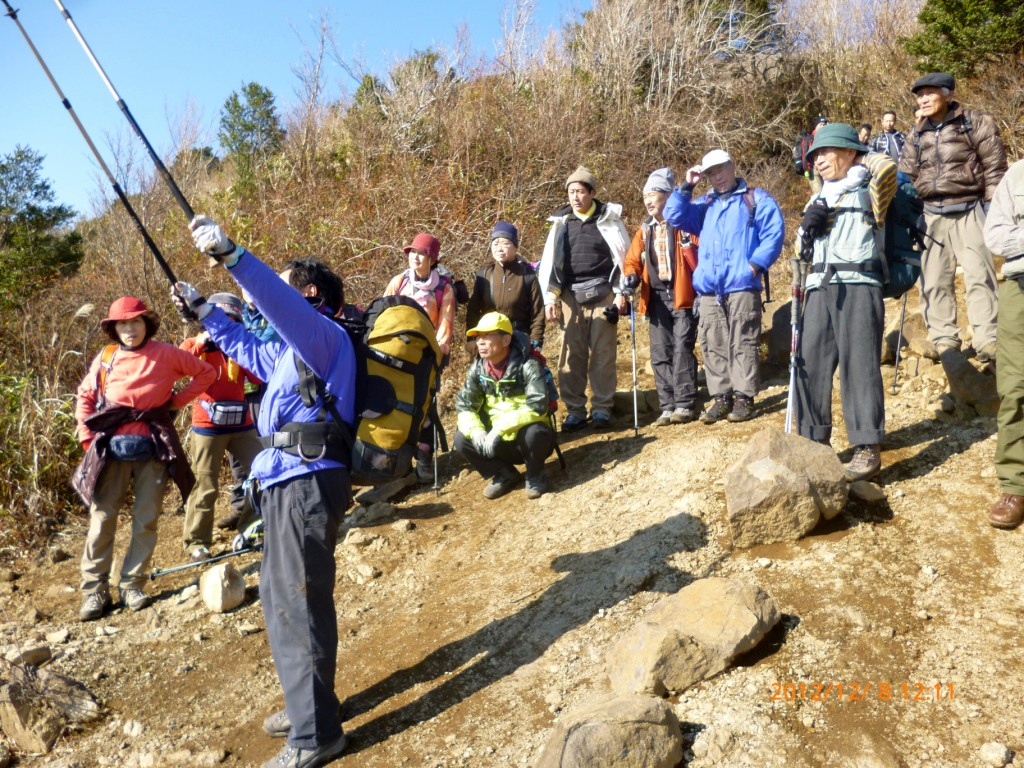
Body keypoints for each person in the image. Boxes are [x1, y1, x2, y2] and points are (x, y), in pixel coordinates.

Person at [175, 224, 356, 768]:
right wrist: (205, 312)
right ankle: (312, 708)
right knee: (288, 604)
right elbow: (248, 347)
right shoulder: (290, 357)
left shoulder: (325, 336)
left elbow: (275, 305)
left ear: (309, 295)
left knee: (295, 605)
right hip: (284, 481)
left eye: (281, 287)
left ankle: (314, 735)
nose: (263, 296)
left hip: (307, 479)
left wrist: (234, 257)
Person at [73, 297, 216, 621]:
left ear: (146, 324)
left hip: (153, 446)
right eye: (122, 324)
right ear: (114, 328)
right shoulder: (107, 357)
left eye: (135, 322)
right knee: (102, 518)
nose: (129, 329)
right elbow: (85, 395)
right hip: (110, 446)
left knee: (146, 519)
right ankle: (94, 592)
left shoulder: (166, 353)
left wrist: (174, 403)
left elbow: (204, 373)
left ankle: (132, 585)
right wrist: (85, 437)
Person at [794, 123, 898, 481]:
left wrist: (858, 158)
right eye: (815, 155)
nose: (819, 160)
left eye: (827, 151)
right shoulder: (818, 197)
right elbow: (799, 250)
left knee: (860, 365)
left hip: (858, 283)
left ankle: (867, 446)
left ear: (850, 152)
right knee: (810, 363)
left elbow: (887, 168)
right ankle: (811, 443)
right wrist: (807, 226)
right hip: (819, 286)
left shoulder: (871, 187)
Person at [663, 149, 785, 423]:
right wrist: (687, 185)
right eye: (710, 173)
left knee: (743, 342)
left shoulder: (756, 199)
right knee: (712, 344)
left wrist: (754, 265)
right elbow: (672, 215)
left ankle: (743, 398)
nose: (717, 177)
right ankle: (721, 397)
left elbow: (774, 235)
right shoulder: (705, 204)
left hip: (741, 285)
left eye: (720, 170)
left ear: (732, 166)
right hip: (708, 289)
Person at [899, 71, 1007, 362]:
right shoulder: (915, 133)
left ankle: (987, 338)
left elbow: (994, 168)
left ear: (947, 93)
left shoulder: (975, 122)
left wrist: (992, 210)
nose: (922, 99)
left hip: (970, 208)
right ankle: (944, 339)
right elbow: (906, 176)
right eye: (919, 95)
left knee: (979, 276)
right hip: (929, 214)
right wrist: (906, 214)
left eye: (928, 93)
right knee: (933, 280)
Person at [537, 166, 630, 432]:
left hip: (603, 292)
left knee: (603, 354)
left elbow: (623, 259)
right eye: (571, 192)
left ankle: (602, 408)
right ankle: (575, 410)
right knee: (571, 354)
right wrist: (550, 299)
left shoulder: (610, 221)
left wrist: (622, 293)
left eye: (580, 191)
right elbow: (549, 266)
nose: (575, 197)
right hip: (570, 296)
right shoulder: (560, 224)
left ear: (592, 193)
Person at [179, 292, 262, 561]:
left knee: (259, 473)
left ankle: (250, 528)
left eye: (231, 319)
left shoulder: (239, 343)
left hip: (242, 422)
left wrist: (243, 347)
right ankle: (195, 542)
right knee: (205, 484)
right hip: (207, 425)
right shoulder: (194, 343)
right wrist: (202, 345)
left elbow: (258, 377)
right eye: (220, 318)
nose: (225, 323)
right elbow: (179, 367)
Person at [622, 167, 700, 425]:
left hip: (682, 296)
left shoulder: (682, 224)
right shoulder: (644, 230)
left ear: (667, 195)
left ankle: (685, 404)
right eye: (645, 196)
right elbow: (632, 260)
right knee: (660, 353)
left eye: (652, 194)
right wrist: (632, 275)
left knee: (681, 349)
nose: (647, 200)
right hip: (655, 300)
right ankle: (667, 406)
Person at [454, 312, 556, 499]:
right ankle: (504, 473)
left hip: (526, 438)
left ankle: (536, 474)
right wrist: (477, 431)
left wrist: (499, 429)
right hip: (497, 442)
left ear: (506, 340)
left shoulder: (529, 364)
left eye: (487, 336)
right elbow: (464, 406)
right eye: (478, 337)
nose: (480, 342)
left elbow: (537, 406)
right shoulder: (478, 368)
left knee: (535, 433)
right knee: (462, 439)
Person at [384, 232, 457, 481]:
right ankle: (399, 462)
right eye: (413, 252)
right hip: (395, 356)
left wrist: (437, 356)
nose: (415, 257)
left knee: (423, 409)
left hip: (425, 358)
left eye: (421, 254)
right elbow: (383, 315)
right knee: (396, 406)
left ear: (432, 259)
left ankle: (424, 459)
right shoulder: (399, 282)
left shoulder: (443, 288)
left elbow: (445, 325)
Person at [984, 159, 1024, 528]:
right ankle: (1016, 483)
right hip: (1019, 287)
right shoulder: (1017, 174)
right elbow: (995, 236)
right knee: (1013, 387)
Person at [465, 221, 545, 351]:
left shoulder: (527, 276)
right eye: (495, 243)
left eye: (505, 243)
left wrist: (536, 342)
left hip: (519, 341)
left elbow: (538, 314)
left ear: (515, 247)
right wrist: (471, 339)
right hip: (488, 341)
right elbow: (472, 312)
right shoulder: (484, 276)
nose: (499, 248)